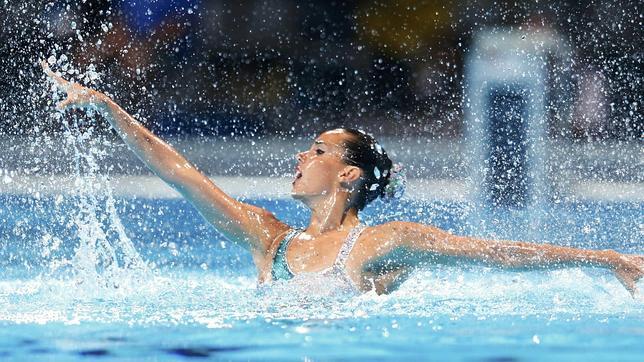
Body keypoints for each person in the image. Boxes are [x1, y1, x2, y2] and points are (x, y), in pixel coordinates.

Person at [41, 61, 644, 297]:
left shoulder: (380, 243)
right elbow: (179, 173)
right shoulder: (269, 239)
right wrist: (110, 109)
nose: (300, 158)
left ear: (347, 173)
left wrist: (605, 257)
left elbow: (495, 256)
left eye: (317, 149)